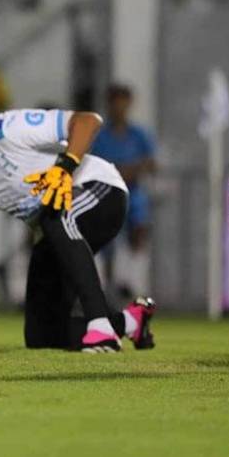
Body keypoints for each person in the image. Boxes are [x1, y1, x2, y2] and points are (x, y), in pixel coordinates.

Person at [0, 93, 156, 352]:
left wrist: (64, 168)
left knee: (54, 215)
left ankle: (101, 328)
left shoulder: (7, 128)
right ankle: (131, 322)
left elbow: (88, 121)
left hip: (101, 190)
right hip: (55, 225)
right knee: (41, 336)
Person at [89, 83, 156, 298]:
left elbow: (151, 162)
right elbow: (92, 163)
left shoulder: (139, 134)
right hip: (105, 193)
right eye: (115, 103)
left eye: (123, 103)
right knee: (102, 238)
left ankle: (133, 283)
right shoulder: (99, 135)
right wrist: (117, 172)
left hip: (132, 193)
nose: (119, 108)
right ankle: (102, 285)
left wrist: (132, 170)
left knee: (138, 231)